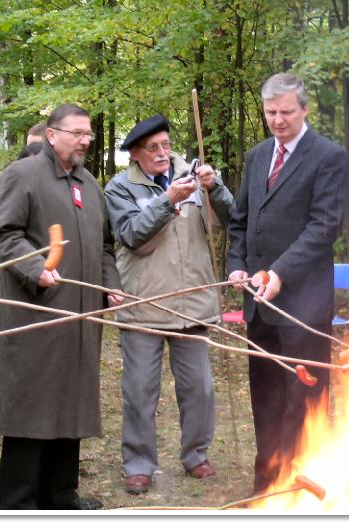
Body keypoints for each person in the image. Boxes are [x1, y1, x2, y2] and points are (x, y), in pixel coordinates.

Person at [0, 103, 123, 510]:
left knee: (70, 405)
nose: (84, 141)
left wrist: (109, 286)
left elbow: (104, 247)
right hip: (36, 315)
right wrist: (35, 267)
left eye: (88, 134)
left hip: (80, 319)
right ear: (51, 134)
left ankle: (61, 495)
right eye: (77, 133)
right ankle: (19, 503)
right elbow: (2, 236)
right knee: (32, 409)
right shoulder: (23, 175)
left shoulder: (90, 185)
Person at [227, 73, 349, 494]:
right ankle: (267, 488)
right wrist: (238, 264)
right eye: (270, 112)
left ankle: (301, 489)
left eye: (286, 112)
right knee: (265, 394)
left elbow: (324, 227)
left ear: (305, 109)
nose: (277, 120)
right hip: (259, 303)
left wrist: (278, 273)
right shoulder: (258, 155)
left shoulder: (328, 157)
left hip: (303, 303)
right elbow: (241, 221)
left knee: (304, 398)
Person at [105, 115, 236, 495]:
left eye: (166, 144)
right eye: (153, 148)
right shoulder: (120, 188)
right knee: (140, 391)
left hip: (192, 301)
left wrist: (218, 189)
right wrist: (167, 201)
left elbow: (231, 219)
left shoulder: (194, 175)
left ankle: (196, 455)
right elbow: (131, 235)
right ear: (135, 154)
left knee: (199, 389)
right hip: (144, 303)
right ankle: (139, 464)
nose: (163, 153)